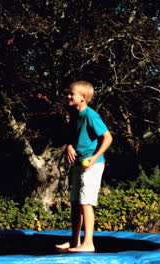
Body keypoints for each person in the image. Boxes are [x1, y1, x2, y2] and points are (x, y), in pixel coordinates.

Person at [56, 80, 112, 252]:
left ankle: (88, 243)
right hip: (79, 164)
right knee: (75, 202)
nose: (68, 96)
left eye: (71, 94)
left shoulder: (90, 115)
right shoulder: (75, 114)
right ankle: (74, 242)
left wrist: (95, 158)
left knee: (86, 203)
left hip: (92, 165)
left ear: (83, 97)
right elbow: (74, 137)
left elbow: (108, 137)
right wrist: (70, 146)